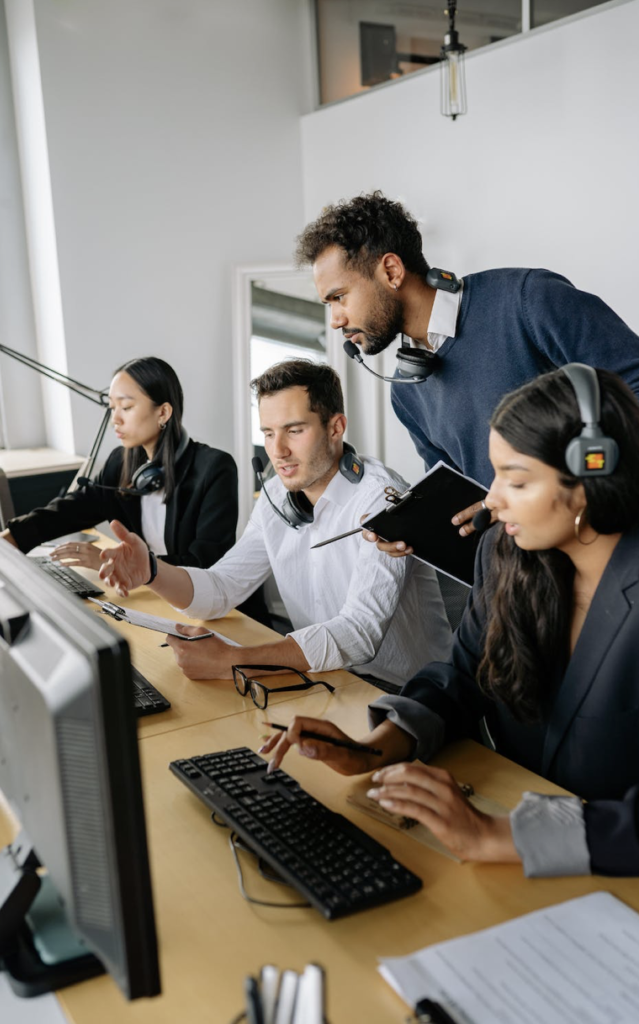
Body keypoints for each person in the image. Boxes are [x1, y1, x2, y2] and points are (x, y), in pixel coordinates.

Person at [259, 367, 639, 878]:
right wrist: (375, 749)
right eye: (495, 473)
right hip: (513, 843)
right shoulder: (508, 552)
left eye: (517, 479)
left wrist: (495, 834)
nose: (493, 498)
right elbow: (463, 677)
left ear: (594, 474)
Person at [295, 191, 639, 543]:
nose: (335, 320)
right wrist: (416, 532)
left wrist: (568, 483)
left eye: (339, 297)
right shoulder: (405, 392)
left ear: (391, 271)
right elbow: (464, 506)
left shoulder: (527, 299)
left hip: (612, 546)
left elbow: (634, 388)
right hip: (522, 577)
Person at [98, 359, 452, 687]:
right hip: (323, 677)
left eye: (294, 430)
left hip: (406, 692)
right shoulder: (275, 497)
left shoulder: (382, 500)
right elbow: (223, 587)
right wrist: (153, 572)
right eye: (268, 433)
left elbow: (358, 634)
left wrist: (235, 661)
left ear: (336, 427)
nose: (277, 450)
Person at [1, 356, 240, 572]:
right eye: (112, 408)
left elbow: (206, 563)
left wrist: (120, 564)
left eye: (126, 407)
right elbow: (72, 509)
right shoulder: (120, 462)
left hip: (210, 605)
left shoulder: (215, 469)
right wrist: (14, 536)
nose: (115, 419)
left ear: (163, 413)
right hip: (153, 591)